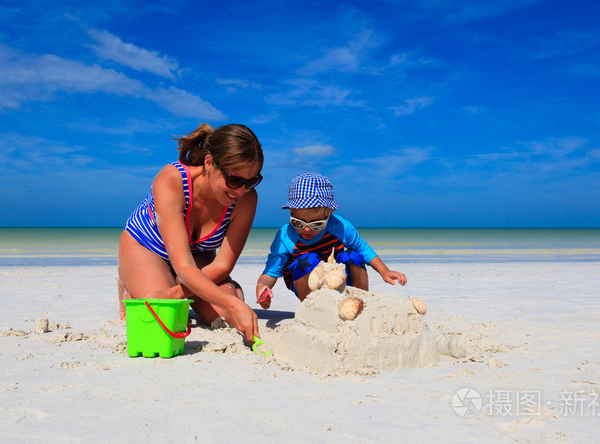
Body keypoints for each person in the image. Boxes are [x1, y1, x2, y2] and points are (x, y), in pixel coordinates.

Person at [117, 123, 263, 342]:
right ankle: (128, 280)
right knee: (166, 319)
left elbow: (222, 264)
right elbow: (184, 267)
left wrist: (176, 292)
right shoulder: (172, 180)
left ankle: (180, 286)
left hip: (195, 257)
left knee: (225, 317)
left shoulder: (246, 199)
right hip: (146, 248)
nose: (241, 190)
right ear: (209, 163)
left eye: (251, 182)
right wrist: (231, 302)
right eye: (234, 180)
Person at [255, 173, 406, 309]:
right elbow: (271, 272)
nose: (306, 230)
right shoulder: (284, 237)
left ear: (330, 213)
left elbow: (362, 248)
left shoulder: (340, 227)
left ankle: (359, 301)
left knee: (352, 255)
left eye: (316, 225)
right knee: (308, 259)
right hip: (306, 283)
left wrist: (384, 271)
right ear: (290, 211)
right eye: (298, 223)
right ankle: (312, 309)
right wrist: (262, 287)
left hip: (339, 278)